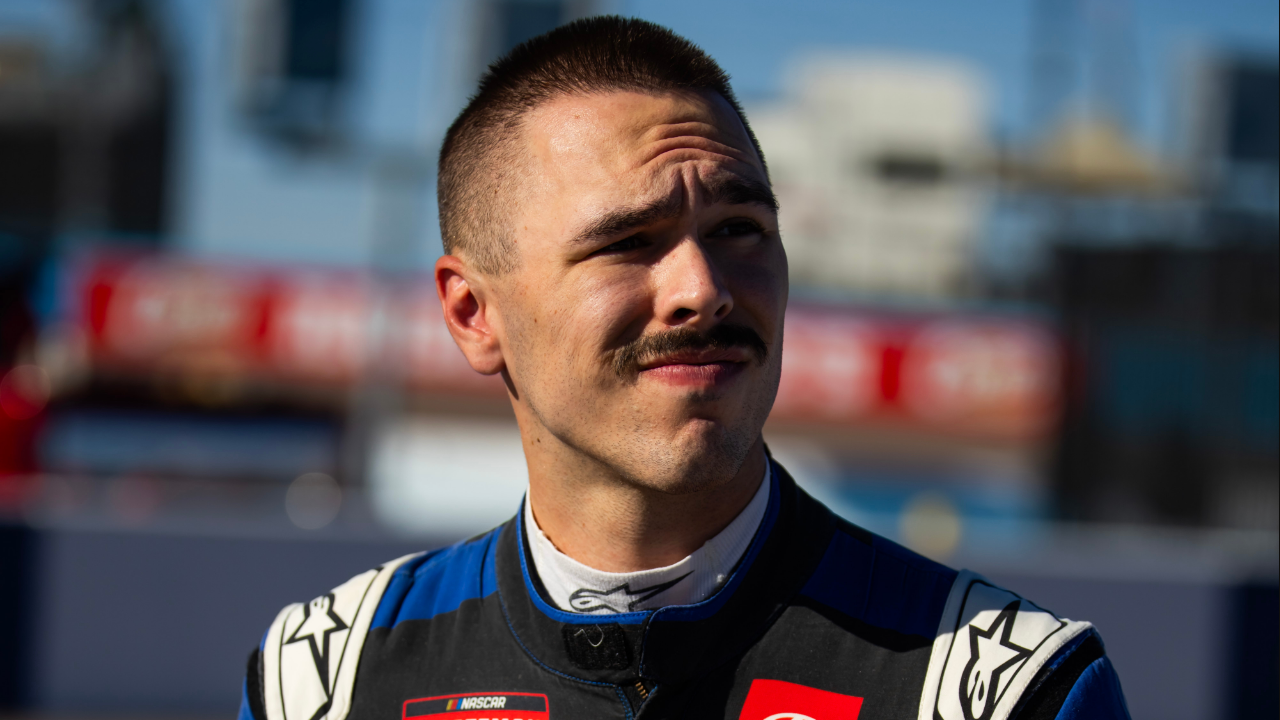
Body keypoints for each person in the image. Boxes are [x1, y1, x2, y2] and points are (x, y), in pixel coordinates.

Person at [239, 17, 1130, 720]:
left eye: (739, 229)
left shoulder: (1001, 689)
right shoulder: (324, 680)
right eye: (627, 242)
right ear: (474, 314)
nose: (702, 290)